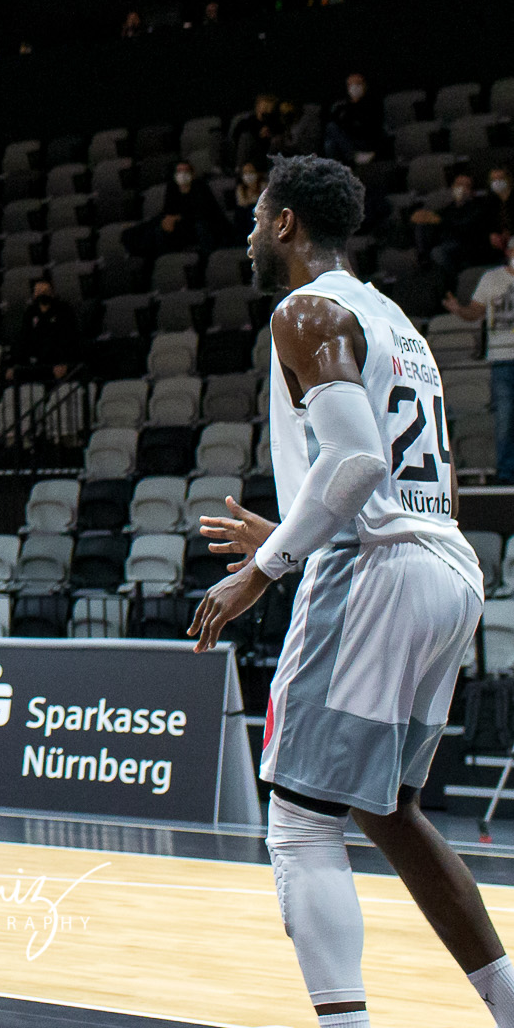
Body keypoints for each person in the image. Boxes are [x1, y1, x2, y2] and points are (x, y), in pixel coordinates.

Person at [190, 154, 514, 1028]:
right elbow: (404, 479)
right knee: (390, 811)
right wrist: (291, 532)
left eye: (256, 218)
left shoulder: (304, 310)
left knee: (298, 825)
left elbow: (358, 458)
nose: (249, 235)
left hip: (375, 573)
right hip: (444, 564)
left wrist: (264, 569)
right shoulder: (394, 321)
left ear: (285, 223)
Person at [446, 254, 514, 483]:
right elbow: (475, 312)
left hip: (503, 358)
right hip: (501, 357)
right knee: (504, 419)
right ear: (509, 253)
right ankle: (506, 474)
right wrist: (458, 309)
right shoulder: (491, 278)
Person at [411, 172, 496, 283]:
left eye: (466, 186)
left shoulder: (477, 209)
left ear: (472, 192)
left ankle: (453, 283)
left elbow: (464, 228)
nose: (461, 188)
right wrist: (422, 218)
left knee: (438, 252)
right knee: (422, 226)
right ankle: (423, 259)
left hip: (467, 248)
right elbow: (434, 220)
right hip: (446, 245)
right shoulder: (448, 208)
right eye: (458, 185)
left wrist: (439, 221)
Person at [5, 277, 74, 385]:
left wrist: (64, 363)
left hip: (55, 361)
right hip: (34, 361)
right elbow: (23, 338)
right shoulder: (30, 312)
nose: (42, 294)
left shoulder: (64, 310)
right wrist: (13, 365)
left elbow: (69, 338)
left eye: (46, 291)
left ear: (52, 293)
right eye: (39, 292)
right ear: (33, 295)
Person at [323, 70, 386, 164]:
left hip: (365, 142)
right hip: (346, 141)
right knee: (330, 143)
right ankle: (337, 166)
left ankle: (351, 155)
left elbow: (368, 127)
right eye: (351, 85)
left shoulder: (372, 103)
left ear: (365, 86)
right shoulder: (342, 105)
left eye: (358, 84)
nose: (354, 87)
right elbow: (337, 123)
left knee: (331, 128)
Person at [232, 92, 283, 170]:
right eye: (264, 106)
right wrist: (258, 133)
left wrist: (270, 134)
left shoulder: (275, 123)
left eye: (268, 107)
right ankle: (240, 168)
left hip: (267, 155)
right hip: (251, 154)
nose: (265, 109)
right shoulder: (247, 121)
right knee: (245, 137)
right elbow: (237, 135)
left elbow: (280, 134)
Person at [231, 162, 266, 243]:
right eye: (245, 172)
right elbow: (241, 203)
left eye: (251, 172)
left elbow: (264, 201)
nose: (248, 175)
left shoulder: (263, 186)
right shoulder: (241, 188)